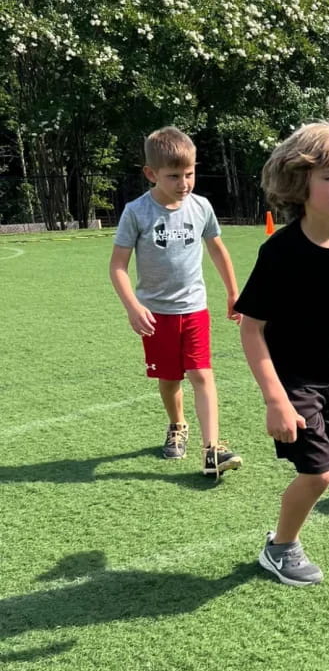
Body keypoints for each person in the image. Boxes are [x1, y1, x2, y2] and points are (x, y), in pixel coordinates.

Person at [235, 122, 329, 586]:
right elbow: (251, 329)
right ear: (299, 185)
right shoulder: (281, 254)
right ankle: (280, 549)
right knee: (320, 474)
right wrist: (275, 400)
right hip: (293, 381)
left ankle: (282, 535)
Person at [109, 126, 243, 478]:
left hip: (194, 309)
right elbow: (118, 267)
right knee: (169, 380)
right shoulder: (136, 212)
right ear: (151, 174)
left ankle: (212, 449)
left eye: (189, 173)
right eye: (174, 176)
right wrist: (133, 306)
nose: (184, 183)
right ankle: (177, 424)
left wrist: (233, 291)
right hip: (156, 315)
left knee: (201, 373)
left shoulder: (201, 207)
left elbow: (216, 249)